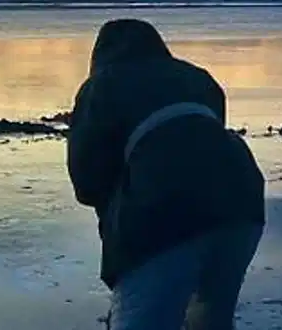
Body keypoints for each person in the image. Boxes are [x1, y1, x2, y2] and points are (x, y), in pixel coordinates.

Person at [68, 18, 265, 330]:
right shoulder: (200, 78)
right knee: (211, 319)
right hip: (242, 196)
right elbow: (200, 139)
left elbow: (87, 182)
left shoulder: (102, 85)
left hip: (162, 208)